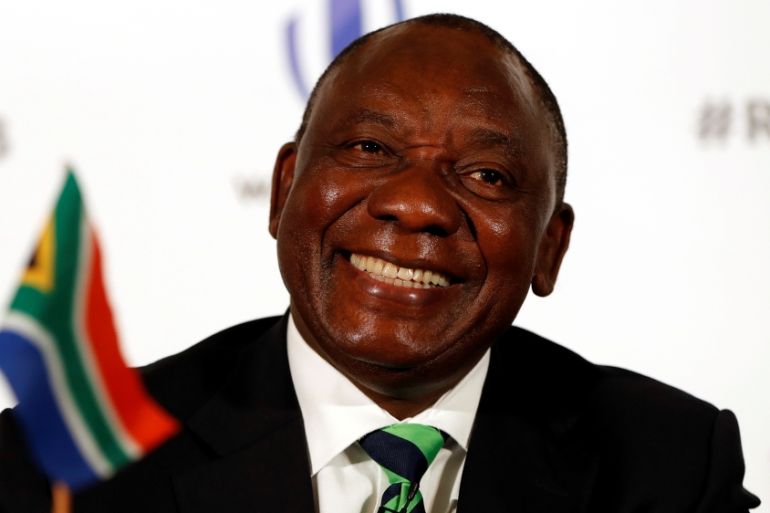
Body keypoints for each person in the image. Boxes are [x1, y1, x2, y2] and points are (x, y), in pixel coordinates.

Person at [0, 13, 760, 513]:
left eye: (487, 175)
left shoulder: (666, 465)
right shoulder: (62, 462)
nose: (417, 204)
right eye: (370, 148)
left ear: (549, 248)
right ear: (283, 190)